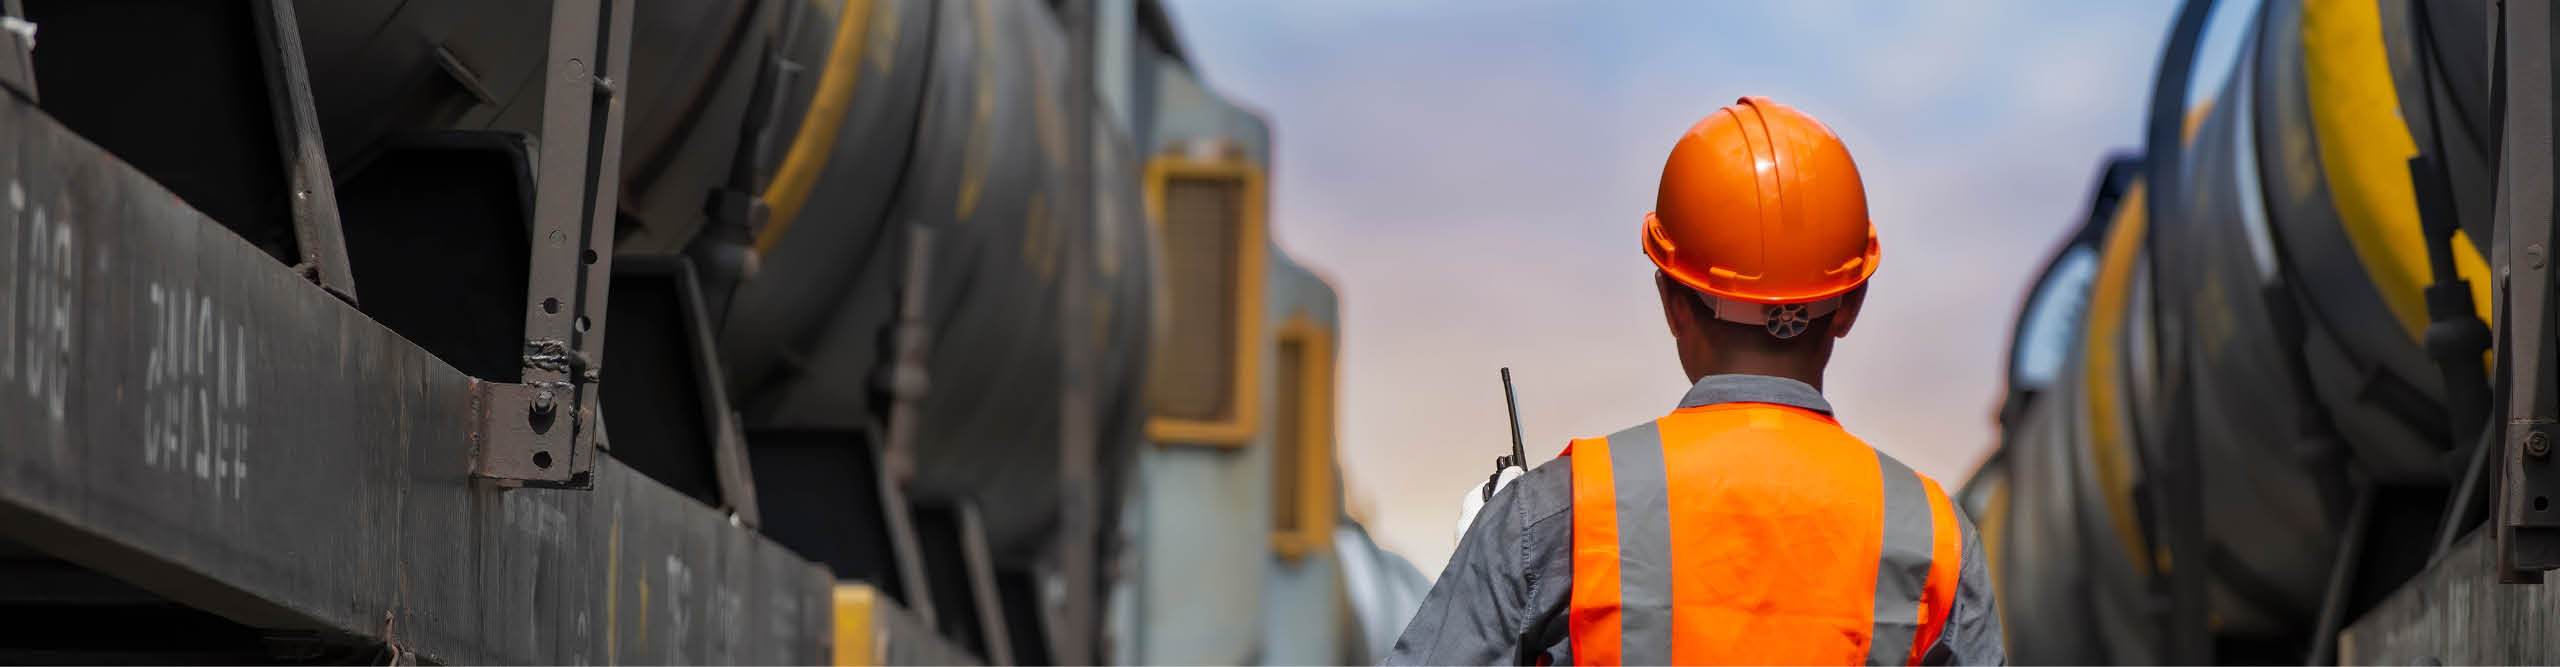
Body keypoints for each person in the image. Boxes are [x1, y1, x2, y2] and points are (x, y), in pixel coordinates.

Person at [1384, 96, 2003, 666]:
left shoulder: (1558, 514)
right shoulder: (1934, 537)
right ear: (1849, 305)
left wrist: (1490, 551)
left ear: (1672, 301)